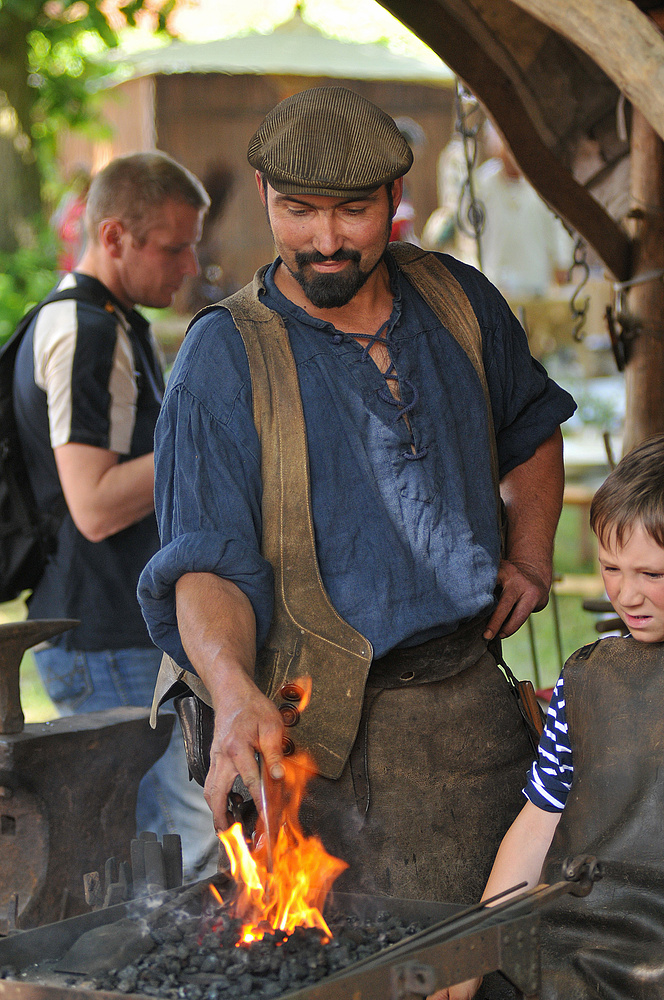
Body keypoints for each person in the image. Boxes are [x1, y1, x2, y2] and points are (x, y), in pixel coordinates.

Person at [138, 87, 576, 914]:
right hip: (316, 749)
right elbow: (204, 562)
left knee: (500, 958)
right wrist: (232, 693)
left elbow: (531, 430)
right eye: (298, 211)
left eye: (352, 212)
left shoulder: (460, 300)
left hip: (473, 714)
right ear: (265, 194)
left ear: (395, 200)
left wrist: (530, 552)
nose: (326, 239)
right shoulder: (222, 360)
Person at [13, 151, 219, 879]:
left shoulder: (114, 319)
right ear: (114, 236)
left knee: (164, 846)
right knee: (170, 851)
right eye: (173, 246)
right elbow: (94, 506)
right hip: (102, 633)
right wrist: (210, 435)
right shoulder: (85, 331)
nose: (189, 264)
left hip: (120, 626)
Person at [430, 434, 664, 1000]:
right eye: (611, 569)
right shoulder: (588, 677)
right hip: (577, 947)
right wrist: (468, 963)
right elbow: (538, 824)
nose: (626, 595)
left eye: (651, 575)